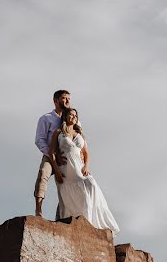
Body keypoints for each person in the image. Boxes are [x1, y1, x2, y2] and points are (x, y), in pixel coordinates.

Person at [49, 108, 119, 233]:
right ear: (65, 116)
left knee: (90, 184)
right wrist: (56, 170)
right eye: (71, 114)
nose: (74, 117)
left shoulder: (79, 134)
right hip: (65, 170)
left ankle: (89, 221)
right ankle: (73, 221)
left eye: (76, 115)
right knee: (70, 194)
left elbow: (86, 153)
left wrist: (86, 166)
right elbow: (51, 152)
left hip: (79, 167)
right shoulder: (58, 132)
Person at [34, 89, 71, 217]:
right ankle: (38, 210)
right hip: (50, 156)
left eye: (68, 99)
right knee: (43, 174)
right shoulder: (46, 118)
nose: (67, 101)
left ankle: (61, 215)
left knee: (68, 184)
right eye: (64, 98)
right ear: (55, 101)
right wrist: (52, 154)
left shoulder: (70, 118)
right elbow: (39, 140)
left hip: (66, 157)